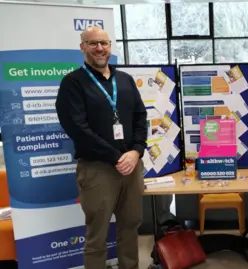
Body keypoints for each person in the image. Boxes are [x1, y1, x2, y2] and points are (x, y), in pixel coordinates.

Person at [55, 26, 147, 269]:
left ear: (110, 46)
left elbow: (140, 117)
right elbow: (77, 129)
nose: (99, 48)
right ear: (82, 47)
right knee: (97, 234)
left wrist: (136, 151)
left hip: (132, 166)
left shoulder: (124, 80)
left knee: (130, 227)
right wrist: (118, 157)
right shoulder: (72, 83)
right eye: (93, 43)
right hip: (98, 170)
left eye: (103, 43)